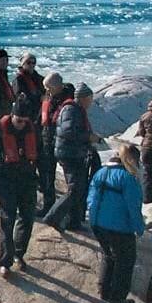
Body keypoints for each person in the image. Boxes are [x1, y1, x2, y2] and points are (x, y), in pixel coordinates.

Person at [0, 96, 39, 276]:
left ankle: (18, 254)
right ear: (12, 116)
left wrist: (45, 180)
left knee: (28, 217)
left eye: (25, 121)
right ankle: (5, 260)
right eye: (19, 120)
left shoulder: (32, 130)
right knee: (8, 218)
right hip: (5, 179)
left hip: (27, 179)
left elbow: (41, 154)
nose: (22, 124)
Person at [87, 145, 146, 303]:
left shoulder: (101, 172)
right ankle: (118, 296)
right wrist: (139, 228)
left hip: (97, 224)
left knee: (109, 255)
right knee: (126, 259)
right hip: (118, 226)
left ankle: (104, 291)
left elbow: (91, 197)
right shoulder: (127, 178)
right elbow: (133, 207)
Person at [44, 82, 97, 233]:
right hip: (69, 154)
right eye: (90, 98)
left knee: (78, 188)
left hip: (75, 152)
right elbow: (68, 132)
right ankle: (53, 217)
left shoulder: (77, 110)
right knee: (75, 189)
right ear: (84, 98)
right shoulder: (71, 110)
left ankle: (74, 221)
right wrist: (89, 137)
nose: (91, 102)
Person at [38, 73, 68, 214]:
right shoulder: (49, 99)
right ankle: (48, 206)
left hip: (59, 143)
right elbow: (41, 118)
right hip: (46, 141)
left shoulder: (65, 101)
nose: (47, 91)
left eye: (49, 88)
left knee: (68, 180)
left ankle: (68, 211)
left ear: (57, 87)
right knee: (47, 176)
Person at [13, 53, 46, 122]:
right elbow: (19, 96)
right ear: (23, 64)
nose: (31, 65)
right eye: (28, 62)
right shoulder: (19, 78)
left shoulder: (38, 77)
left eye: (33, 62)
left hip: (38, 110)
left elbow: (46, 88)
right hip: (24, 113)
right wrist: (39, 97)